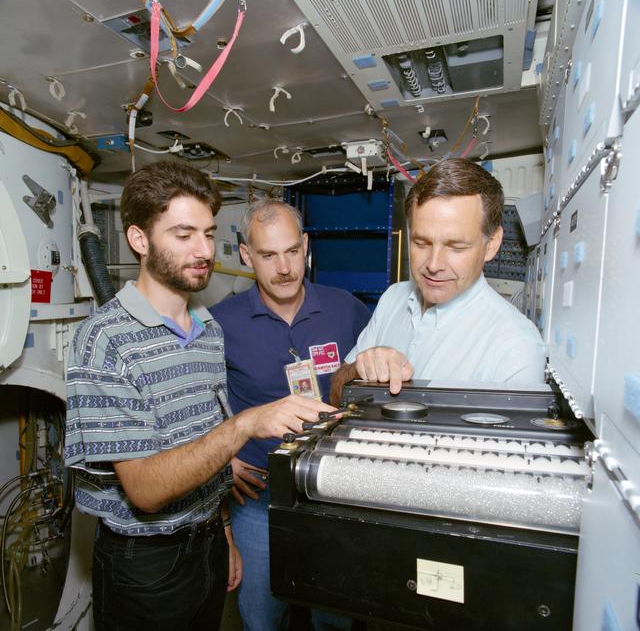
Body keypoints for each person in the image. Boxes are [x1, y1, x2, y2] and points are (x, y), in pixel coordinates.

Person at [64, 162, 335, 631]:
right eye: (184, 235)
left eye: (208, 234)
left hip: (207, 543)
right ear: (139, 240)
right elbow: (146, 490)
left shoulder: (207, 329)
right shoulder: (103, 339)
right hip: (145, 563)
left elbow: (204, 446)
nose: (205, 251)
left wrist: (223, 531)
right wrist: (246, 424)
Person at [211, 199, 371, 631]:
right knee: (262, 617)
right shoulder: (218, 323)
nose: (283, 267)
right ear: (247, 255)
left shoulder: (348, 310)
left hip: (334, 493)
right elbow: (197, 404)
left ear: (305, 247)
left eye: (291, 252)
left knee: (335, 616)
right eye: (267, 255)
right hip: (258, 498)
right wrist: (220, 456)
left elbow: (374, 386)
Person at [330, 157, 546, 403]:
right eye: (421, 243)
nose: (433, 265)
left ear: (492, 244)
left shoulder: (516, 346)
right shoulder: (393, 297)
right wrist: (359, 368)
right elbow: (336, 394)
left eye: (456, 247)